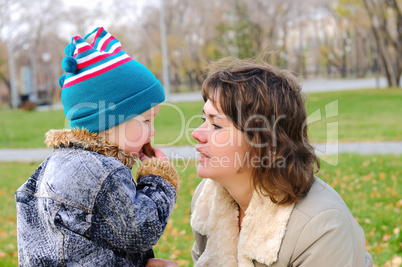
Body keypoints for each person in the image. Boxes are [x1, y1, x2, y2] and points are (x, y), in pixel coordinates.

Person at [148, 57, 373, 267]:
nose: (196, 133)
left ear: (263, 142)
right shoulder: (208, 199)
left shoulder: (321, 227)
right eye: (202, 119)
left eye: (216, 125)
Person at [15, 27, 179, 267]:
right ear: (108, 122)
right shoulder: (101, 174)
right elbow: (141, 230)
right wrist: (158, 178)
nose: (152, 132)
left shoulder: (57, 166)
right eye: (146, 120)